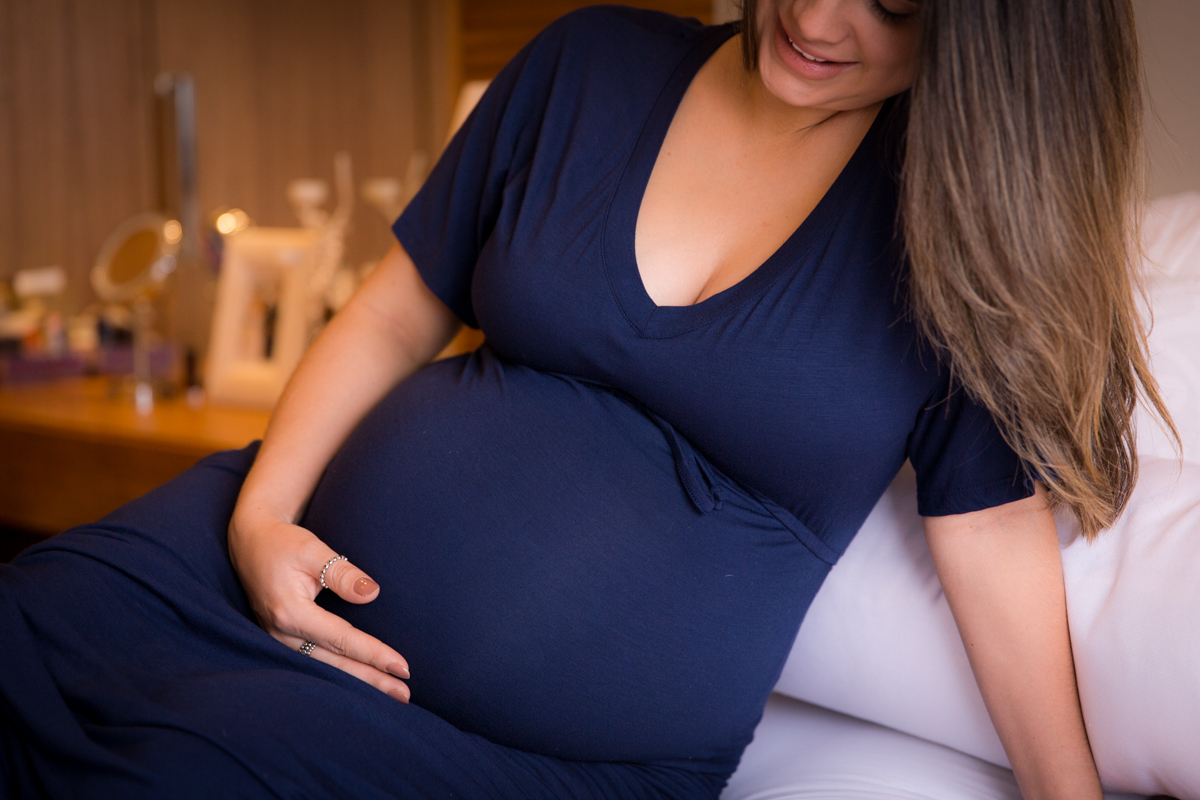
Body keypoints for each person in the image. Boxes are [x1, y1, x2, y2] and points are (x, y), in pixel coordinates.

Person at [0, 2, 1172, 799]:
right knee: (27, 615)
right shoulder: (587, 65)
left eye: (894, 4)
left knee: (184, 768)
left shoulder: (961, 236)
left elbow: (991, 540)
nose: (816, 18)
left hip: (496, 741)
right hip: (244, 557)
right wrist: (261, 521)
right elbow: (395, 310)